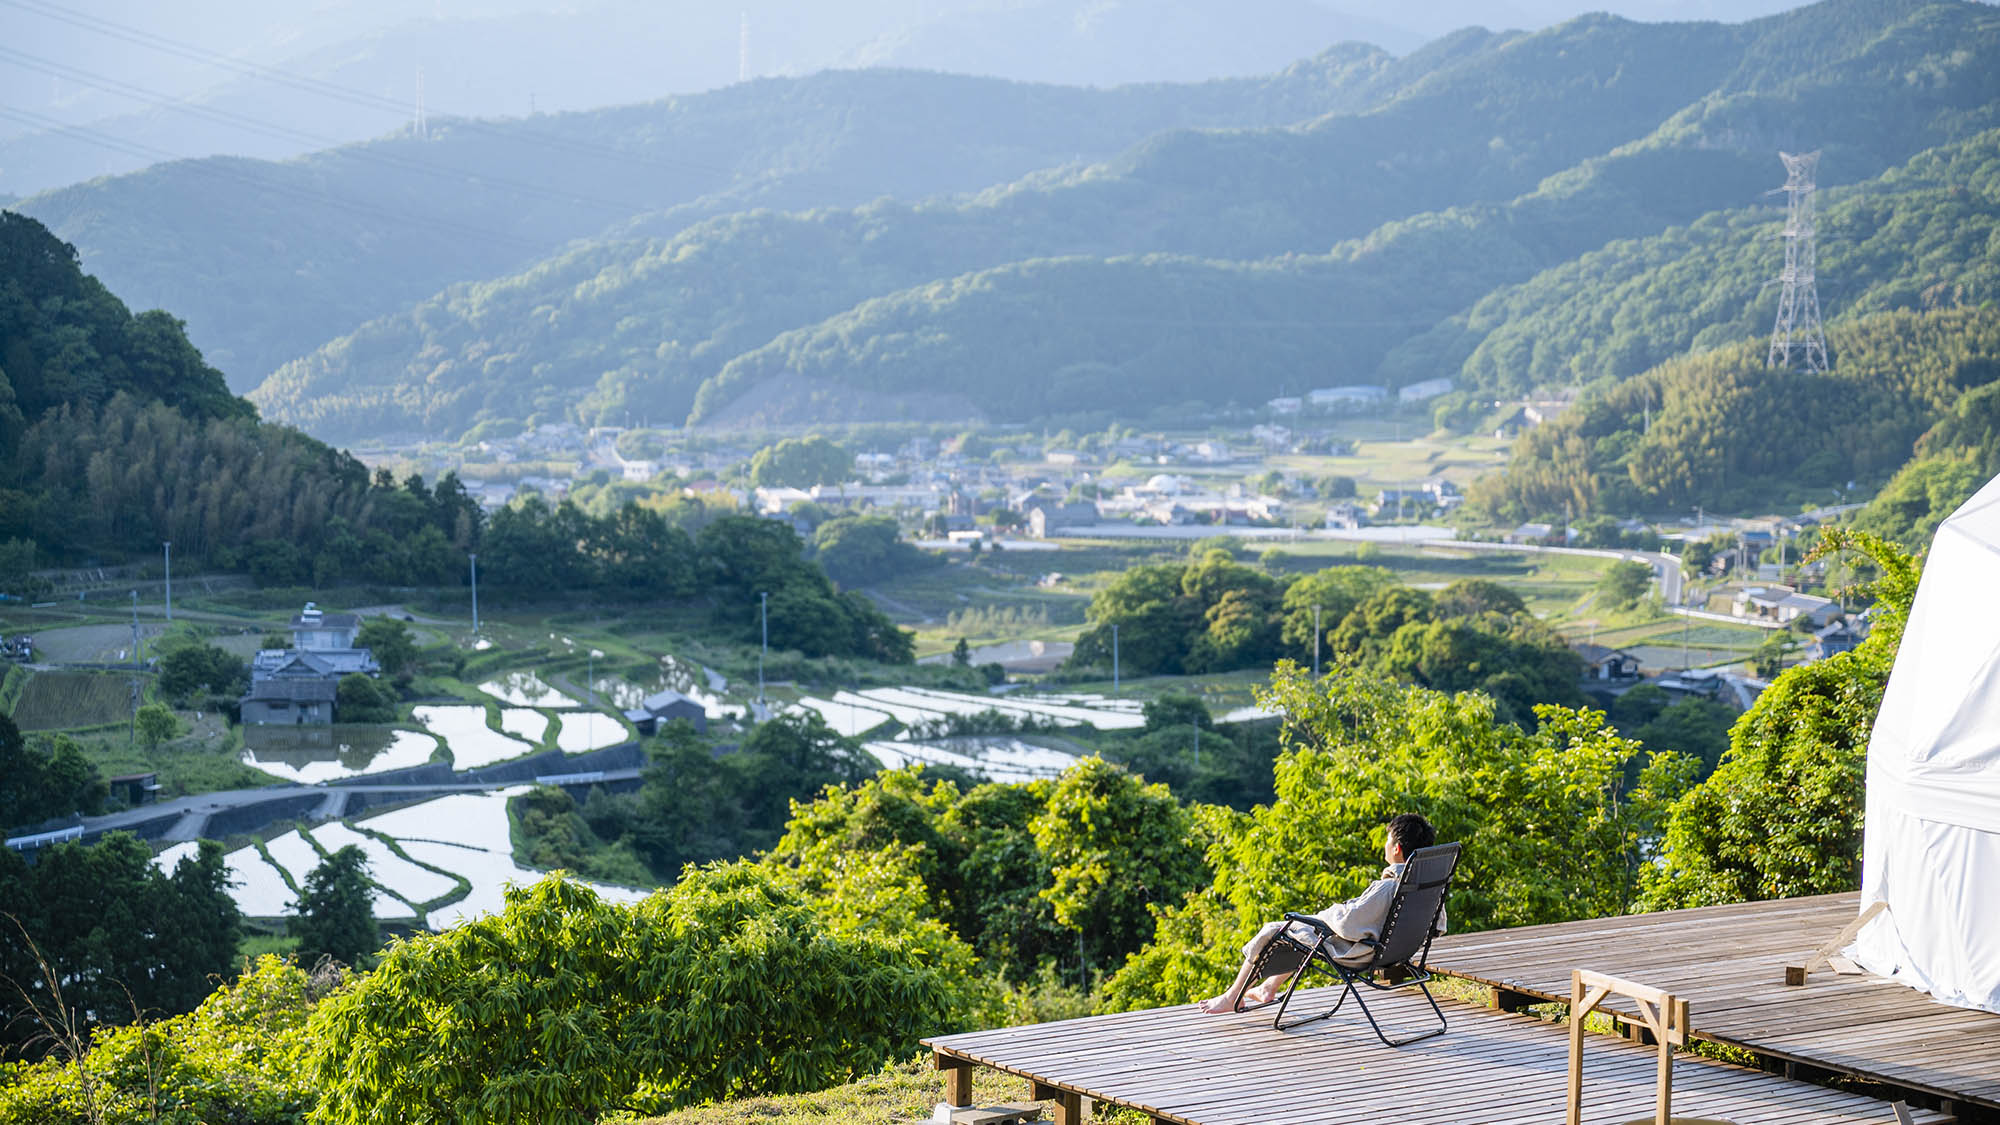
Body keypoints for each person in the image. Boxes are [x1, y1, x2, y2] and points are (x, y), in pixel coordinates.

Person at [1198, 812, 1442, 1014]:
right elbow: (1438, 927)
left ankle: (1232, 996)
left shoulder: (1389, 887)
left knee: (1277, 930)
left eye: (1387, 841)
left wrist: (1333, 910)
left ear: (1397, 848)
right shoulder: (1427, 883)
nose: (1385, 845)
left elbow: (1347, 922)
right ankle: (1268, 988)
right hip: (1396, 950)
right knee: (1303, 932)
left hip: (1362, 952)